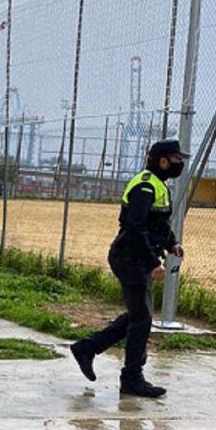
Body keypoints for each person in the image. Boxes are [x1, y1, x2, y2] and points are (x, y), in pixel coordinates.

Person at [70, 139, 189, 399]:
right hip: (129, 258)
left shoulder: (158, 186)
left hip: (135, 257)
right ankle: (131, 379)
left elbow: (157, 223)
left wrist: (172, 243)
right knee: (142, 319)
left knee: (139, 316)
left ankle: (87, 348)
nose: (180, 164)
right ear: (163, 160)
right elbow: (135, 227)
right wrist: (152, 262)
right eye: (177, 159)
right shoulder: (145, 186)